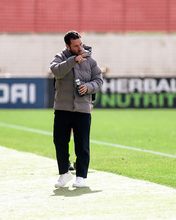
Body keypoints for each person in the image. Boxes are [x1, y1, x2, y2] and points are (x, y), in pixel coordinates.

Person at [50, 30, 103, 188]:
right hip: (62, 108)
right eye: (76, 46)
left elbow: (99, 81)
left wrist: (88, 87)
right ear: (68, 46)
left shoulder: (91, 61)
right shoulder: (60, 58)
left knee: (82, 144)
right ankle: (64, 174)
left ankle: (81, 176)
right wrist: (73, 60)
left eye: (80, 44)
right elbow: (56, 71)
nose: (80, 48)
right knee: (59, 142)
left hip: (82, 109)